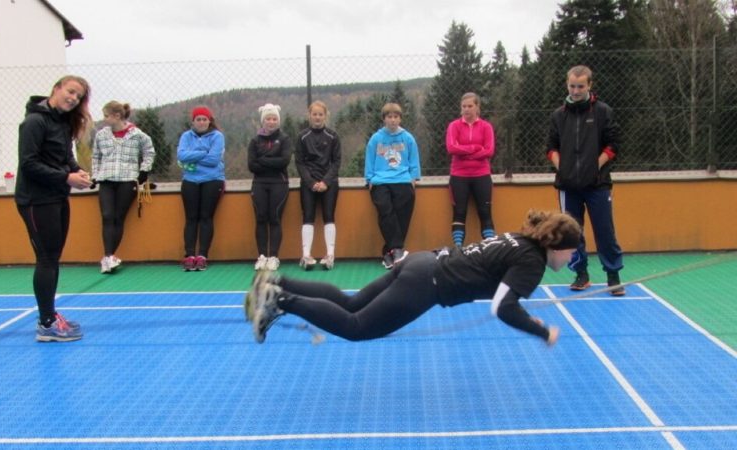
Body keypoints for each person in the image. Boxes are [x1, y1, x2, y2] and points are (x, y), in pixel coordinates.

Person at [246, 210, 582, 345]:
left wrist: (523, 314)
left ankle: (279, 283)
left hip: (422, 261)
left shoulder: (523, 241)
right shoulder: (532, 262)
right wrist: (541, 331)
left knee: (351, 303)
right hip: (427, 283)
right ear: (557, 246)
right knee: (357, 327)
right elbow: (503, 308)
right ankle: (280, 299)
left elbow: (505, 299)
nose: (571, 259)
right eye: (571, 252)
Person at [14, 75, 93, 342]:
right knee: (46, 258)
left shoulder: (62, 122)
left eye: (78, 96)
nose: (73, 98)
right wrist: (66, 178)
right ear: (57, 89)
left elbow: (65, 157)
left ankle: (50, 315)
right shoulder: (34, 122)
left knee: (53, 257)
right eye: (70, 92)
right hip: (36, 200)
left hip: (57, 197)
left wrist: (76, 171)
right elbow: (29, 164)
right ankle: (46, 324)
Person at [546, 65, 625, 296]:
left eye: (581, 86)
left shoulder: (602, 112)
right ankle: (581, 273)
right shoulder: (558, 115)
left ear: (589, 85)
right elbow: (551, 148)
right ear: (567, 85)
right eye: (572, 86)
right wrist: (564, 169)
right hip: (568, 187)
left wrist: (594, 166)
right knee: (572, 232)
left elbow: (613, 145)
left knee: (605, 231)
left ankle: (613, 276)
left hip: (597, 185)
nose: (576, 90)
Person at [92, 100, 155, 274]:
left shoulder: (137, 134)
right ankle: (108, 256)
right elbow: (96, 156)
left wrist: (144, 171)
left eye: (106, 116)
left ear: (117, 116)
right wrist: (95, 175)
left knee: (119, 217)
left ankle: (110, 256)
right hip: (106, 179)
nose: (104, 119)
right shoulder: (101, 135)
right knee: (107, 216)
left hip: (127, 180)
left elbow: (149, 152)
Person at [364, 102, 421, 269]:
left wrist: (413, 179)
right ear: (384, 119)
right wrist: (369, 180)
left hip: (402, 180)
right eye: (389, 117)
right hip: (380, 181)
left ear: (400, 119)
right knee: (386, 212)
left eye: (396, 117)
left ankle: (389, 252)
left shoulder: (408, 138)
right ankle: (397, 249)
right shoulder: (376, 138)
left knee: (402, 213)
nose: (393, 120)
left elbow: (414, 160)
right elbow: (369, 160)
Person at [177, 106, 226, 271]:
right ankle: (189, 255)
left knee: (206, 217)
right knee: (191, 218)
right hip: (190, 180)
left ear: (209, 121)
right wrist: (203, 152)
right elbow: (181, 156)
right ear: (193, 121)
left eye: (205, 119)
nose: (202, 122)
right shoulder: (186, 136)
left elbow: (213, 160)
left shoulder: (217, 136)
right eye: (198, 119)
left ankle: (203, 255)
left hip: (212, 180)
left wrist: (193, 156)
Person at [294, 101, 342, 270]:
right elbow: (299, 162)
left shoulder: (333, 136)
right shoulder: (302, 137)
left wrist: (326, 182)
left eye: (320, 114)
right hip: (309, 184)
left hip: (329, 183)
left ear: (325, 116)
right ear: (309, 116)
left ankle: (330, 254)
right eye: (314, 114)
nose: (317, 117)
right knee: (308, 216)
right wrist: (311, 182)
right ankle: (306, 255)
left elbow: (336, 162)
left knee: (329, 216)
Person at [445, 92, 496, 246]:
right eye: (463, 106)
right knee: (459, 213)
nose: (466, 109)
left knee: (485, 213)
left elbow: (489, 151)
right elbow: (451, 148)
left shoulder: (486, 127)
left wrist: (465, 152)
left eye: (470, 106)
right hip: (459, 176)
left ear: (477, 107)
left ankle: (490, 249)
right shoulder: (454, 126)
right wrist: (474, 148)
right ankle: (458, 250)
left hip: (482, 175)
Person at [248, 103, 292, 271]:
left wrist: (263, 159)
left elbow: (284, 161)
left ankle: (273, 256)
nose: (271, 122)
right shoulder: (255, 140)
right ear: (263, 121)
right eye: (268, 119)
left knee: (274, 218)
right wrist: (271, 161)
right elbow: (252, 165)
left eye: (274, 119)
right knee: (260, 218)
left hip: (279, 183)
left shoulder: (285, 139)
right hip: (259, 183)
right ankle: (262, 256)